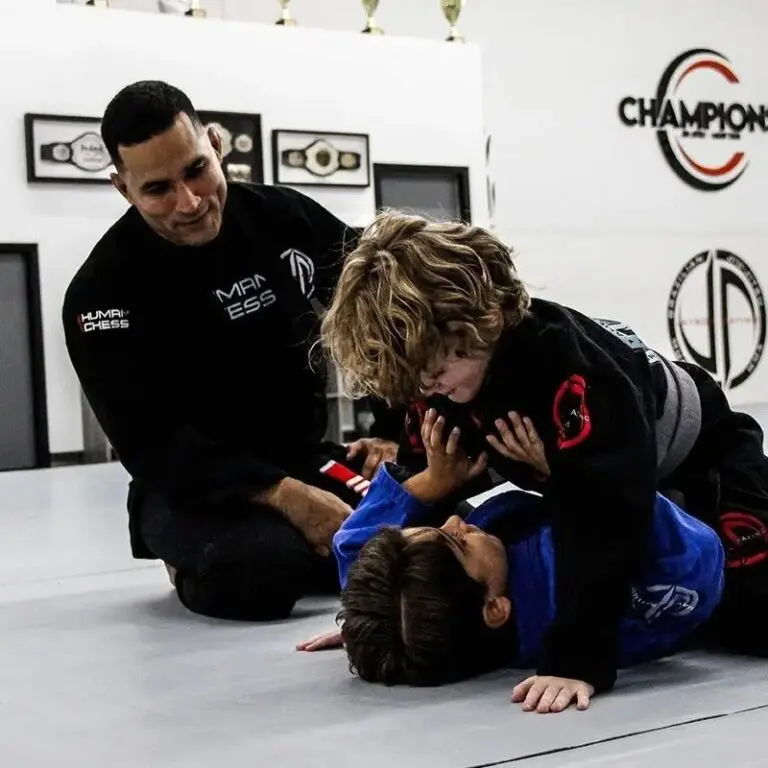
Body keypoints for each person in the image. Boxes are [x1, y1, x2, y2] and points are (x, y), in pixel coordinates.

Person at [314, 208, 768, 711]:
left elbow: (613, 511)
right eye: (418, 381)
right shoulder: (435, 382)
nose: (430, 388)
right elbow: (392, 545)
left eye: (437, 371)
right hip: (612, 483)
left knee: (750, 607)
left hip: (703, 452)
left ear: (478, 323)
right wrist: (385, 619)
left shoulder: (565, 373)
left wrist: (576, 659)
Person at [62, 80, 401, 621]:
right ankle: (188, 558)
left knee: (429, 521)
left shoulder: (284, 218)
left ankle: (317, 541)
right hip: (190, 488)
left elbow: (383, 309)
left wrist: (392, 429)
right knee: (261, 573)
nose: (189, 202)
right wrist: (284, 496)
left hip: (301, 456)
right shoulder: (102, 293)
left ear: (216, 146)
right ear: (123, 188)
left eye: (196, 170)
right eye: (158, 189)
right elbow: (152, 445)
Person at [300, 409, 725, 713]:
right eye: (457, 541)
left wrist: (374, 622)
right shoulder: (578, 595)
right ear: (495, 608)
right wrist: (576, 474)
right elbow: (700, 563)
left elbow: (354, 546)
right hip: (690, 486)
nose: (454, 521)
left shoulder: (455, 599)